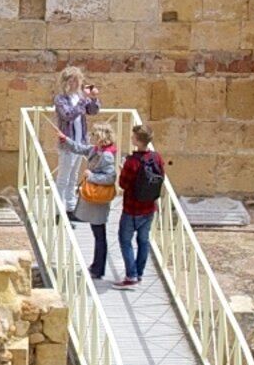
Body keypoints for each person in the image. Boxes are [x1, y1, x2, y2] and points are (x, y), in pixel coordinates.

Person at [113, 121, 168, 288]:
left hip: (132, 209)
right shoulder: (157, 157)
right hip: (149, 207)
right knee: (143, 241)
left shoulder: (131, 162)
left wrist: (123, 169)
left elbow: (123, 184)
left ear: (138, 140)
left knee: (125, 240)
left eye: (133, 137)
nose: (131, 138)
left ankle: (131, 275)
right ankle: (139, 272)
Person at [50, 66, 101, 221]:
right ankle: (58, 211)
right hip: (68, 143)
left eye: (77, 80)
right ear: (66, 82)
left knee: (73, 176)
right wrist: (82, 101)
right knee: (63, 177)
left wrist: (93, 98)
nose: (75, 83)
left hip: (80, 142)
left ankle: (70, 208)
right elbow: (68, 115)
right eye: (72, 80)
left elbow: (93, 111)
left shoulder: (79, 97)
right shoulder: (61, 99)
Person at [77, 132, 125, 279]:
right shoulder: (96, 150)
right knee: (97, 233)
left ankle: (98, 269)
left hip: (99, 200)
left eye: (94, 135)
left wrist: (90, 176)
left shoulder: (106, 155)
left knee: (99, 235)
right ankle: (96, 266)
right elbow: (80, 148)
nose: (91, 137)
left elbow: (110, 178)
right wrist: (65, 140)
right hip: (95, 201)